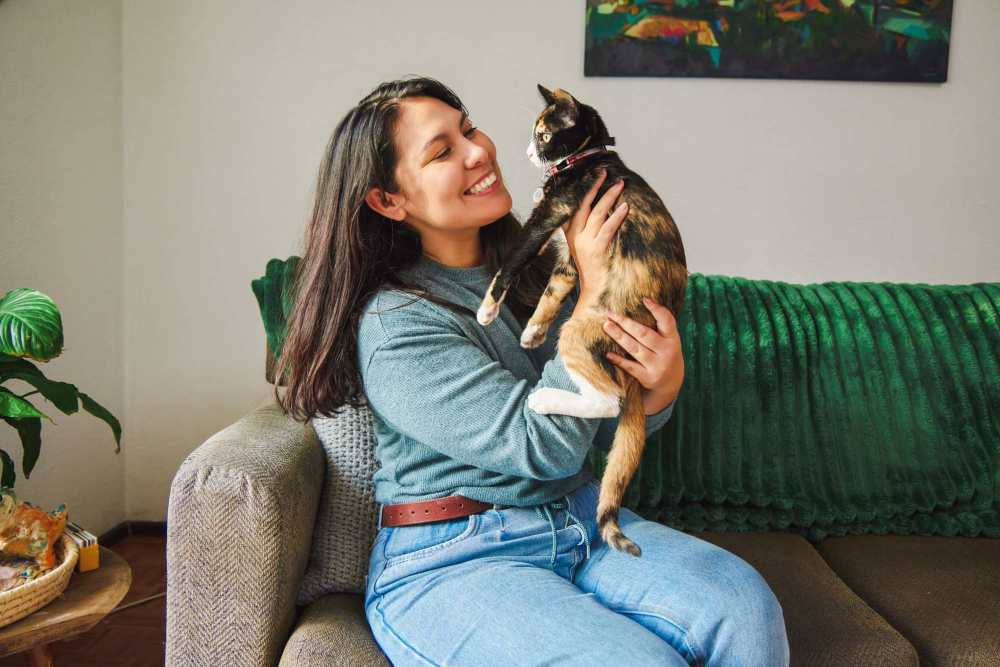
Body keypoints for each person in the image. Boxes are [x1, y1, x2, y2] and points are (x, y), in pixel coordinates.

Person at [275, 76, 790, 666]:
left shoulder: (544, 272)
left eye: (468, 127)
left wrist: (657, 391)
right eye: (442, 151)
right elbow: (544, 447)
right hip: (456, 558)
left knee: (743, 604)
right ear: (389, 201)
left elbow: (594, 430)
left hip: (581, 519)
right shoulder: (397, 323)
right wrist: (596, 293)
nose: (478, 151)